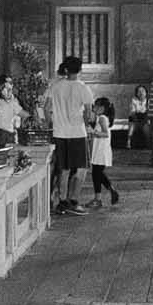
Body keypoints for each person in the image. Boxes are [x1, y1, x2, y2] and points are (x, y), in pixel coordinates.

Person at [46, 54, 93, 214]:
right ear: (79, 70)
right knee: (81, 168)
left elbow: (46, 108)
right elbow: (88, 112)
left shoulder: (55, 86)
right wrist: (86, 125)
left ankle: (62, 201)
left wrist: (51, 124)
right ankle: (74, 200)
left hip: (59, 132)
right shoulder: (82, 87)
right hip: (77, 132)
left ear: (65, 69)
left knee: (63, 169)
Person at [85, 96, 119, 207]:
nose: (93, 107)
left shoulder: (102, 118)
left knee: (96, 173)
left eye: (96, 105)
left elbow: (105, 134)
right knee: (98, 173)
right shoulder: (101, 118)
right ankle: (110, 190)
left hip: (101, 150)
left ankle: (98, 198)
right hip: (100, 149)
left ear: (102, 108)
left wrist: (93, 132)